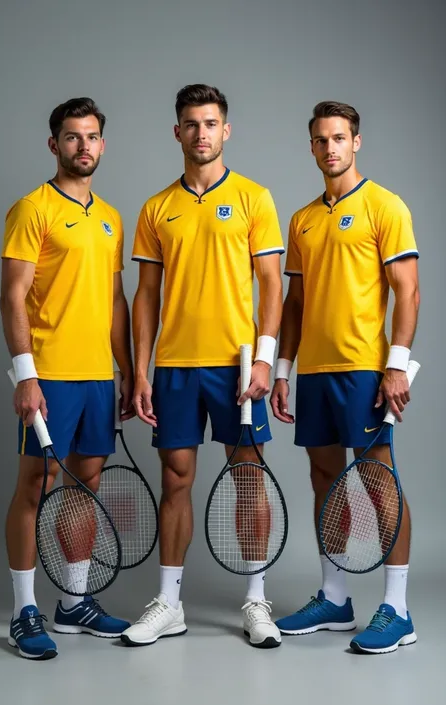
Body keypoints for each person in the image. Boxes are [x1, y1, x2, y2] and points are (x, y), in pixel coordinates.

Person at [121, 84, 285, 649]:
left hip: (237, 366)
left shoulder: (254, 198)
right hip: (174, 367)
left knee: (248, 478)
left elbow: (271, 284)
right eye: (191, 124)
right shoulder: (156, 208)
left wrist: (264, 359)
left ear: (226, 130)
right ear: (177, 132)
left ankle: (256, 599)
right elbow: (145, 297)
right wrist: (140, 371)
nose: (201, 133)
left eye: (210, 123)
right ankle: (169, 604)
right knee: (176, 480)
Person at [271, 101, 420, 655]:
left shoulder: (385, 206)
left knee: (379, 481)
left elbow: (408, 291)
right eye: (320, 140)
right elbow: (295, 302)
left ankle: (398, 609)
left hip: (364, 369)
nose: (330, 148)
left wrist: (396, 364)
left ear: (356, 142)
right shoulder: (303, 218)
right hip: (313, 370)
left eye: (339, 138)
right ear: (311, 147)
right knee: (324, 479)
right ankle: (335, 598)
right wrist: (284, 369)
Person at [0, 97, 134, 660]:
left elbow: (113, 301)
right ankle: (22, 612)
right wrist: (25, 376)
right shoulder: (32, 209)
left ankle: (73, 602)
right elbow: (11, 297)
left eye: (92, 136)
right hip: (49, 377)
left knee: (86, 487)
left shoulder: (110, 217)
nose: (84, 146)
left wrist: (127, 372)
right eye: (73, 137)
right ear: (54, 144)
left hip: (98, 379)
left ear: (103, 144)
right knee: (35, 487)